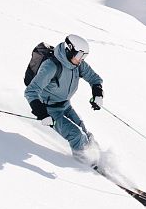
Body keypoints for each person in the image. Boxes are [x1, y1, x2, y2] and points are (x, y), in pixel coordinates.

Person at [26, 33, 105, 163]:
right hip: (50, 110)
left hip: (65, 105)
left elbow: (94, 78)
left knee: (86, 134)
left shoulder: (78, 65)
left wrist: (97, 94)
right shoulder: (51, 66)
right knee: (76, 135)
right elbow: (31, 91)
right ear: (69, 50)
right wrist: (42, 113)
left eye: (84, 56)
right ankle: (83, 163)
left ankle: (98, 159)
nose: (81, 59)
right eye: (80, 55)